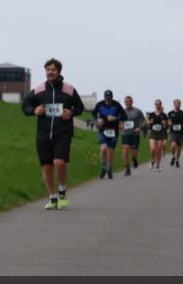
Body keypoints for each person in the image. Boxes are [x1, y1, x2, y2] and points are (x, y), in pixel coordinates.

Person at [22, 58, 85, 209]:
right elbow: (25, 105)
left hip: (62, 132)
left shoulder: (68, 89)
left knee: (59, 162)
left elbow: (80, 107)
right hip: (43, 134)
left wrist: (71, 112)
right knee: (47, 167)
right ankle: (52, 198)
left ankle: (62, 190)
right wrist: (34, 111)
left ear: (59, 72)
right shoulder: (39, 90)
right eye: (48, 69)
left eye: (53, 69)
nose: (50, 72)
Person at [92, 90, 127, 179]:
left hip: (113, 131)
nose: (108, 99)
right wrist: (97, 120)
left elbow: (124, 116)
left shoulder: (116, 105)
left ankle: (110, 170)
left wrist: (115, 118)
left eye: (109, 97)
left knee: (111, 152)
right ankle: (103, 167)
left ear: (112, 97)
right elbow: (94, 113)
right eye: (106, 97)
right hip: (103, 130)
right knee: (103, 149)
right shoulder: (100, 104)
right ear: (104, 97)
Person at [120, 95, 146, 176]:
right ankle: (127, 168)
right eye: (126, 101)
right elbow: (119, 121)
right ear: (124, 102)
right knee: (125, 151)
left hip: (135, 134)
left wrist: (140, 128)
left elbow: (144, 121)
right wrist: (120, 125)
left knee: (134, 153)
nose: (127, 103)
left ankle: (134, 159)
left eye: (129, 101)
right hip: (125, 134)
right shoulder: (122, 112)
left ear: (132, 102)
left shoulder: (137, 111)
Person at [146, 99, 169, 171]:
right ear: (155, 105)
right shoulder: (152, 114)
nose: (158, 105)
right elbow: (148, 122)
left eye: (159, 104)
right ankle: (153, 160)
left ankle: (158, 166)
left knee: (159, 150)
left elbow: (167, 123)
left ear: (161, 105)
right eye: (156, 104)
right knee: (152, 149)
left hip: (160, 133)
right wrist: (150, 122)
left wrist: (165, 123)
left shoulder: (164, 115)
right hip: (153, 132)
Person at [167, 99, 183, 168]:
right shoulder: (170, 113)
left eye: (178, 103)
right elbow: (167, 121)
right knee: (173, 145)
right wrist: (169, 123)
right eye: (176, 103)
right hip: (172, 132)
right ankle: (173, 157)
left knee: (179, 148)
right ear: (174, 104)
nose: (177, 104)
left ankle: (177, 160)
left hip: (180, 132)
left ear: (180, 104)